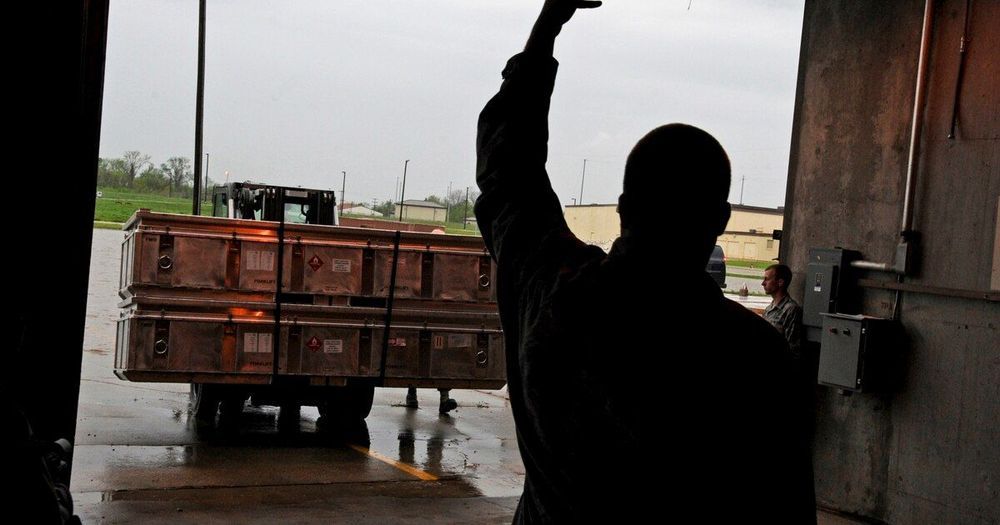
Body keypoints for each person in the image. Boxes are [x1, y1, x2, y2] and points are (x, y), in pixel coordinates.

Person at [474, 1, 816, 522]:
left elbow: (508, 170)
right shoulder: (755, 358)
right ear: (720, 220)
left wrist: (548, 27)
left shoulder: (552, 294)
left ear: (623, 206)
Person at [762, 264, 803, 359]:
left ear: (780, 282)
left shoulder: (791, 310)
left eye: (767, 279)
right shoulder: (769, 309)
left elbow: (792, 348)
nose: (763, 283)